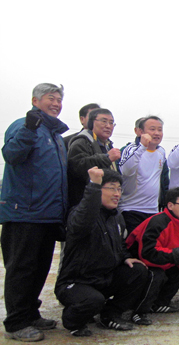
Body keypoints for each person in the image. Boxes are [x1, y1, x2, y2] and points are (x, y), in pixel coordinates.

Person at [1, 83, 68, 342]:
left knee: (39, 268)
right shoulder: (23, 126)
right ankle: (16, 322)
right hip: (23, 213)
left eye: (59, 99)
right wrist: (29, 129)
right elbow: (12, 155)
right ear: (35, 100)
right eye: (51, 98)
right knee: (21, 269)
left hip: (48, 215)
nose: (56, 103)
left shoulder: (55, 135)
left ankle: (30, 313)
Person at [55, 168, 149, 337]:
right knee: (92, 300)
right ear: (97, 190)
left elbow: (120, 245)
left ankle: (110, 314)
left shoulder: (116, 218)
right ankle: (72, 320)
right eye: (112, 188)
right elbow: (83, 220)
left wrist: (126, 258)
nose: (117, 194)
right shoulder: (79, 213)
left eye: (119, 189)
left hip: (103, 279)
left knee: (138, 271)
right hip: (76, 282)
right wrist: (93, 185)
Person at [126, 187, 179, 318]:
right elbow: (147, 253)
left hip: (157, 260)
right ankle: (139, 311)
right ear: (170, 205)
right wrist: (175, 254)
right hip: (136, 263)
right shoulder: (158, 221)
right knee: (157, 274)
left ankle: (159, 303)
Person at [119, 116, 169, 234]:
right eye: (152, 129)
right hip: (131, 209)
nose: (157, 133)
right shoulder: (130, 149)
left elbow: (164, 181)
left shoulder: (161, 152)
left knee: (148, 248)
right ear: (140, 132)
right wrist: (142, 147)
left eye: (160, 130)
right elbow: (126, 170)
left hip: (153, 210)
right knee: (131, 248)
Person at [67, 108, 120, 208]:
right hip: (85, 204)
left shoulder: (108, 145)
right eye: (104, 121)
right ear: (91, 123)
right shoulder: (81, 142)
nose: (108, 126)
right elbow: (77, 167)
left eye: (111, 123)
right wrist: (106, 158)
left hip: (105, 205)